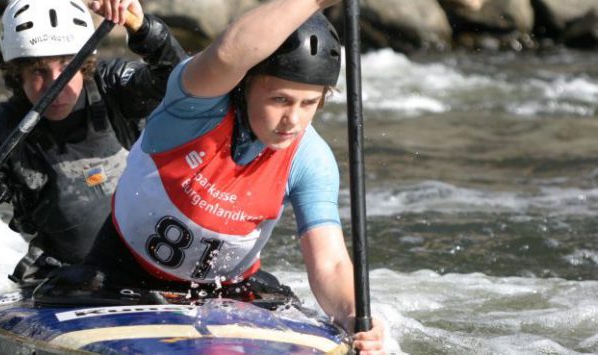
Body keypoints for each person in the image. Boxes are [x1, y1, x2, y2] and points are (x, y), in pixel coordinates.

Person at [39, 0, 384, 352]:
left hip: (228, 289)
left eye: (308, 103)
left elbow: (330, 262)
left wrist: (353, 315)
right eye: (280, 99)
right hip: (121, 274)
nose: (293, 120)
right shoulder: (192, 110)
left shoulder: (312, 159)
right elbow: (226, 56)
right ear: (245, 84)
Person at [0, 0, 187, 290]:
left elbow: (182, 81)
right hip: (67, 281)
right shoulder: (3, 138)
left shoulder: (116, 87)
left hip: (152, 263)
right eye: (39, 71)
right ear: (17, 73)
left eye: (67, 66)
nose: (56, 86)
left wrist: (143, 27)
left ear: (84, 65)